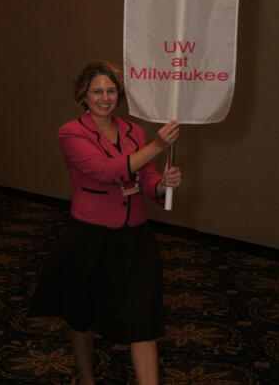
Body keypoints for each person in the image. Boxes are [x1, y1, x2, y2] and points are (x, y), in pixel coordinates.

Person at [30, 61, 181, 385]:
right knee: (82, 315)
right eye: (97, 91)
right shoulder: (71, 132)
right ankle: (87, 377)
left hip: (135, 236)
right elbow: (105, 170)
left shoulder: (133, 131)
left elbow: (145, 176)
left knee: (144, 318)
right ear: (83, 95)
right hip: (90, 236)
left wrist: (161, 186)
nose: (104, 97)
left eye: (111, 90)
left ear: (119, 94)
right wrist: (157, 145)